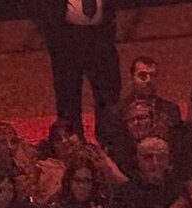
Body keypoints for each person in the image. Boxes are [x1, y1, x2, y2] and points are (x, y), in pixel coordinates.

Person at [26, 0, 121, 145]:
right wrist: (51, 30)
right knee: (68, 93)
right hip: (66, 36)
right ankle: (73, 143)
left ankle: (109, 140)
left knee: (107, 91)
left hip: (100, 35)